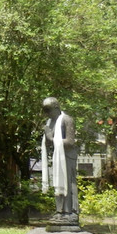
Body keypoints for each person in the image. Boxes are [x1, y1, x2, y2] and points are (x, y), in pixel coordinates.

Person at [41, 96, 79, 225]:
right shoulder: (50, 122)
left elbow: (70, 142)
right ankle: (59, 211)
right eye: (45, 110)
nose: (47, 113)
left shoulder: (67, 120)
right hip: (57, 156)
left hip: (67, 155)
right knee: (58, 183)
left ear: (56, 108)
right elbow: (48, 143)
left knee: (68, 182)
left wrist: (51, 138)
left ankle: (70, 212)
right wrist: (48, 137)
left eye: (48, 110)